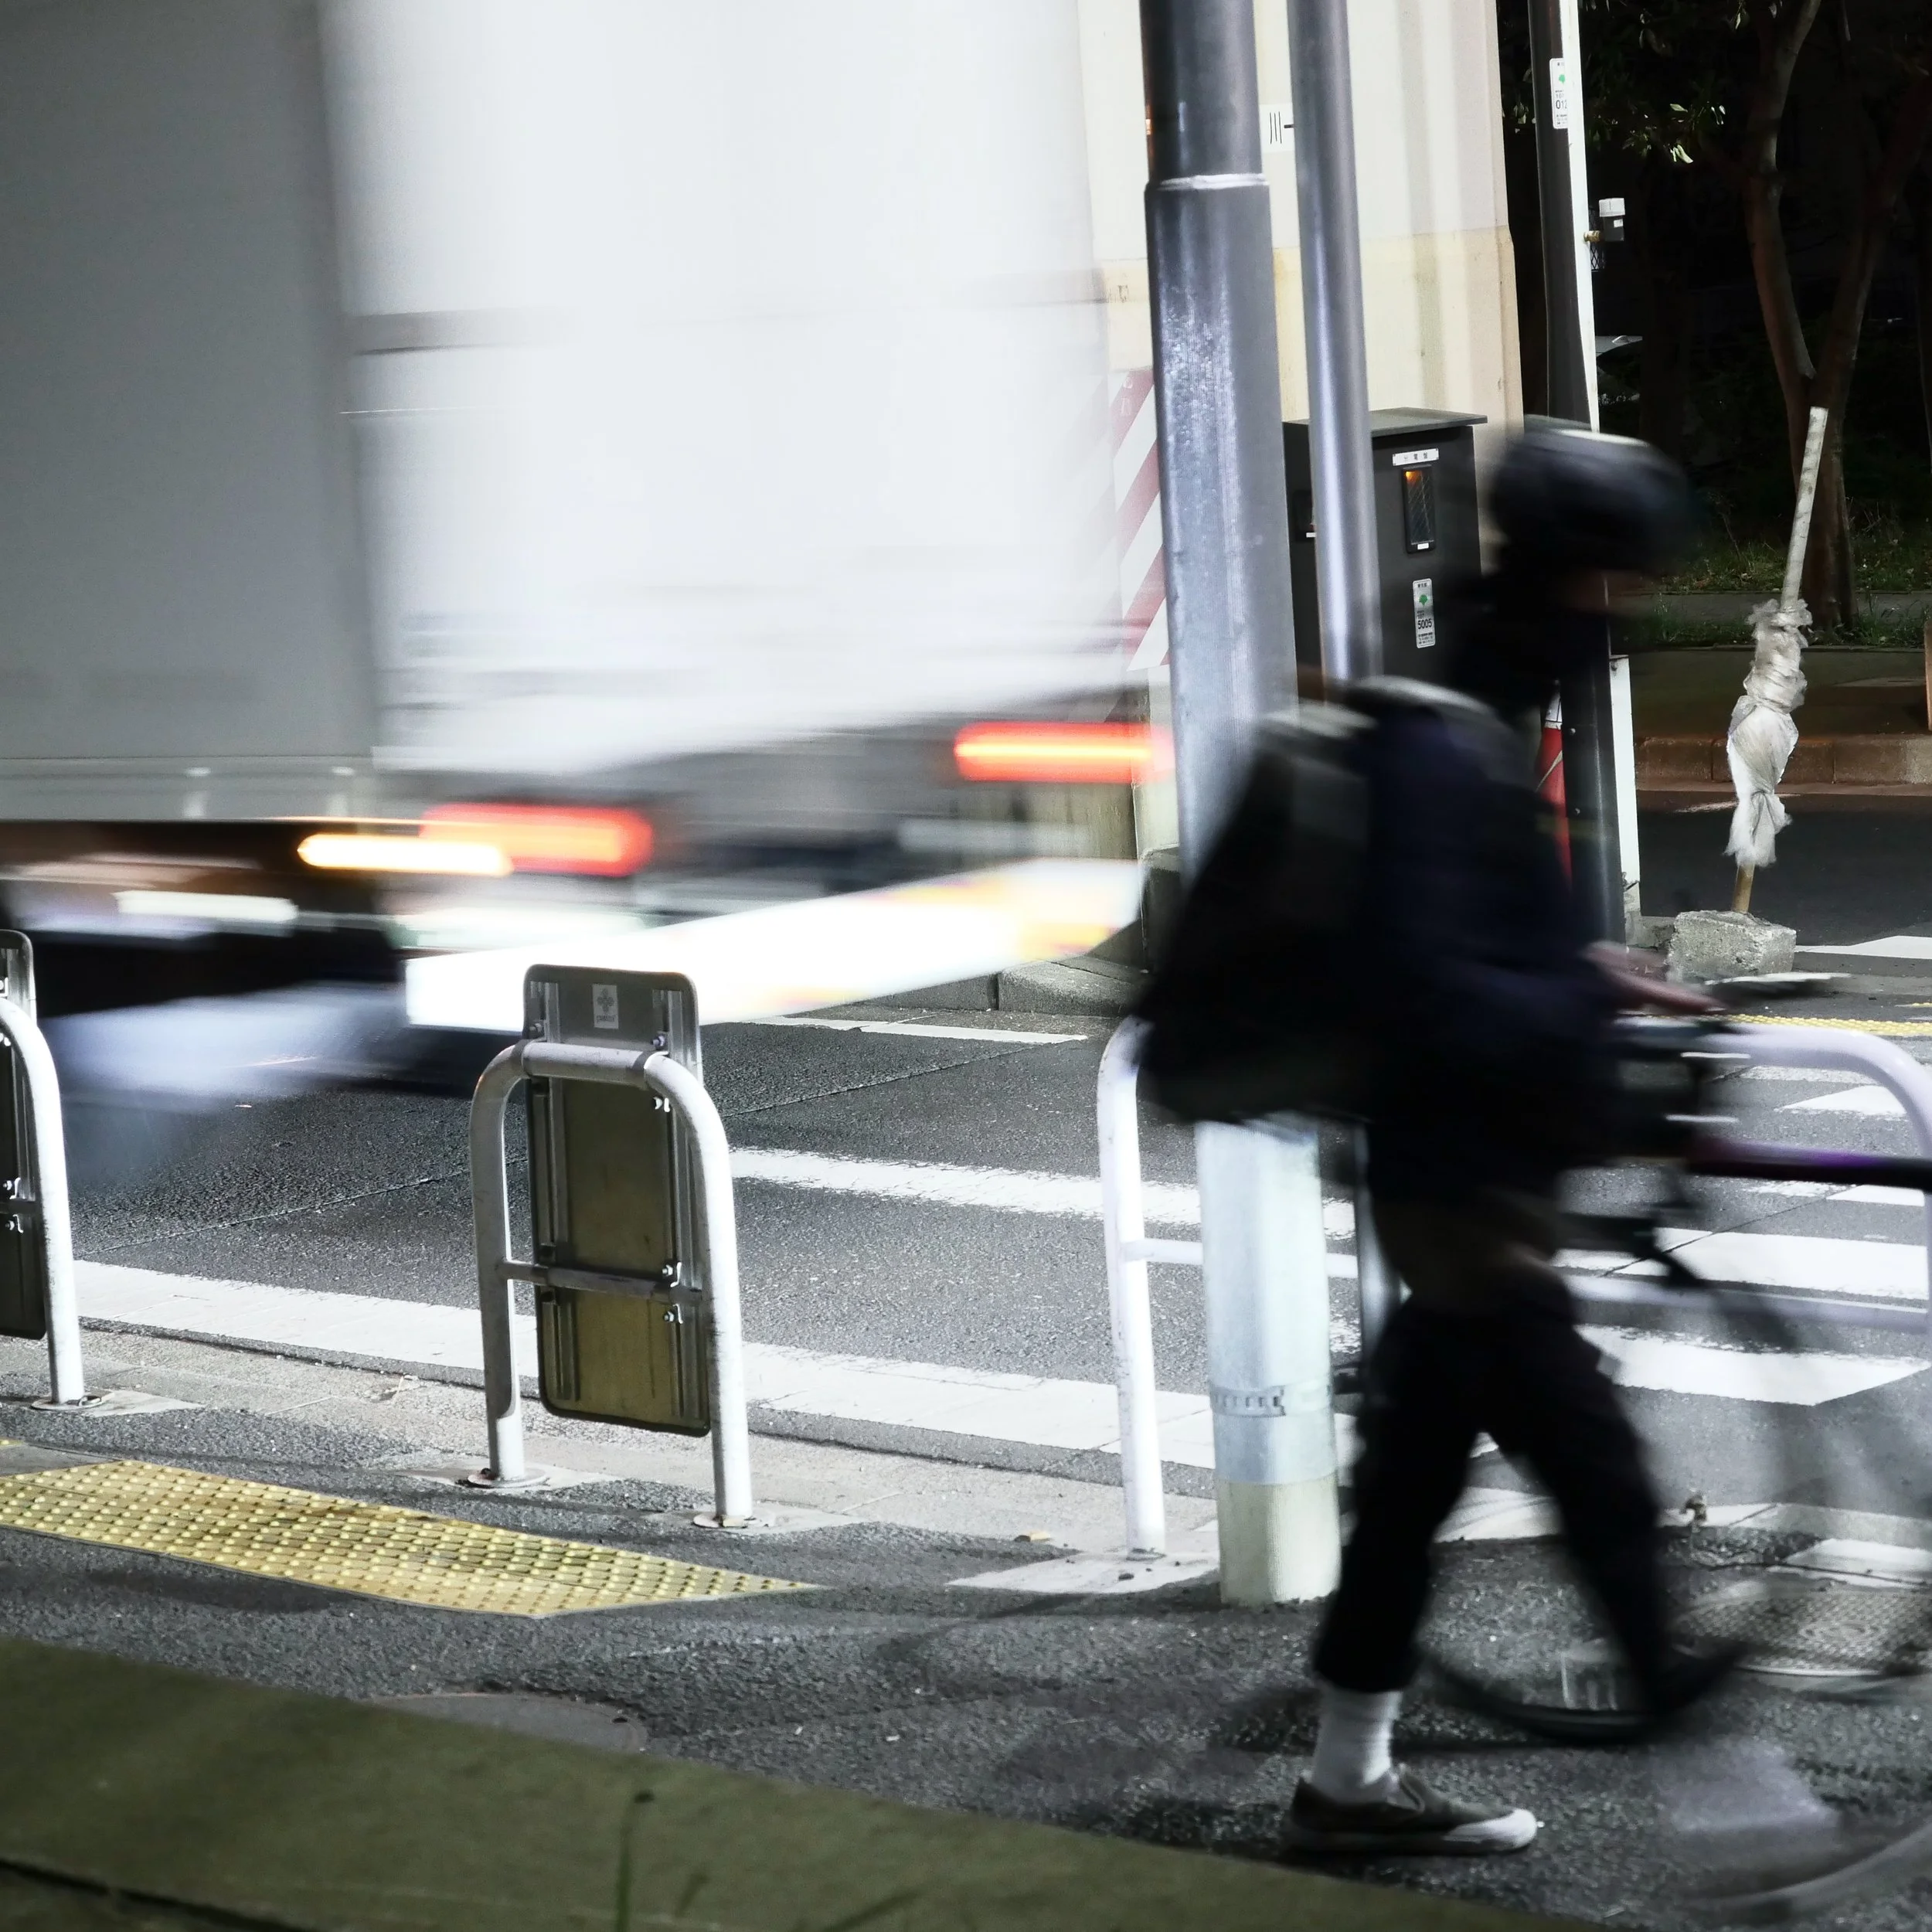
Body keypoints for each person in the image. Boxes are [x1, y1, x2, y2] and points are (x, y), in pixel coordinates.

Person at [1287, 426, 1730, 1858]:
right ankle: (1751, 1818)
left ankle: (1346, 1789)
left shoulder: (1475, 691)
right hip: (1460, 1187)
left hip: (1458, 1179)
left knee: (1412, 1483)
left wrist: (1582, 967)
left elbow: (1465, 935)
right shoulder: (1446, 723)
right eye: (1623, 582)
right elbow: (1424, 975)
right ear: (1583, 571)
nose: (1628, 614)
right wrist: (1568, 1006)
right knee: (1599, 1481)